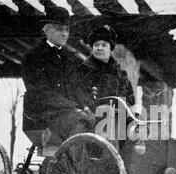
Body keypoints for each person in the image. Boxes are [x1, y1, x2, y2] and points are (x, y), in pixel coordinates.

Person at [22, 6, 95, 142]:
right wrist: (75, 108)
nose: (64, 34)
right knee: (78, 122)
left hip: (67, 112)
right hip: (42, 114)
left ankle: (83, 162)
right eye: (59, 29)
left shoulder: (69, 58)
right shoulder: (32, 57)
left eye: (67, 29)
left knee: (97, 120)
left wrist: (85, 106)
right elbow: (41, 92)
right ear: (47, 30)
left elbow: (75, 87)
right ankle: (71, 162)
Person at [74, 25, 136, 114]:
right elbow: (79, 100)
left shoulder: (121, 75)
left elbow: (129, 100)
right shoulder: (82, 71)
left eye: (104, 45)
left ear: (111, 48)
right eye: (96, 45)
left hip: (118, 121)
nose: (99, 48)